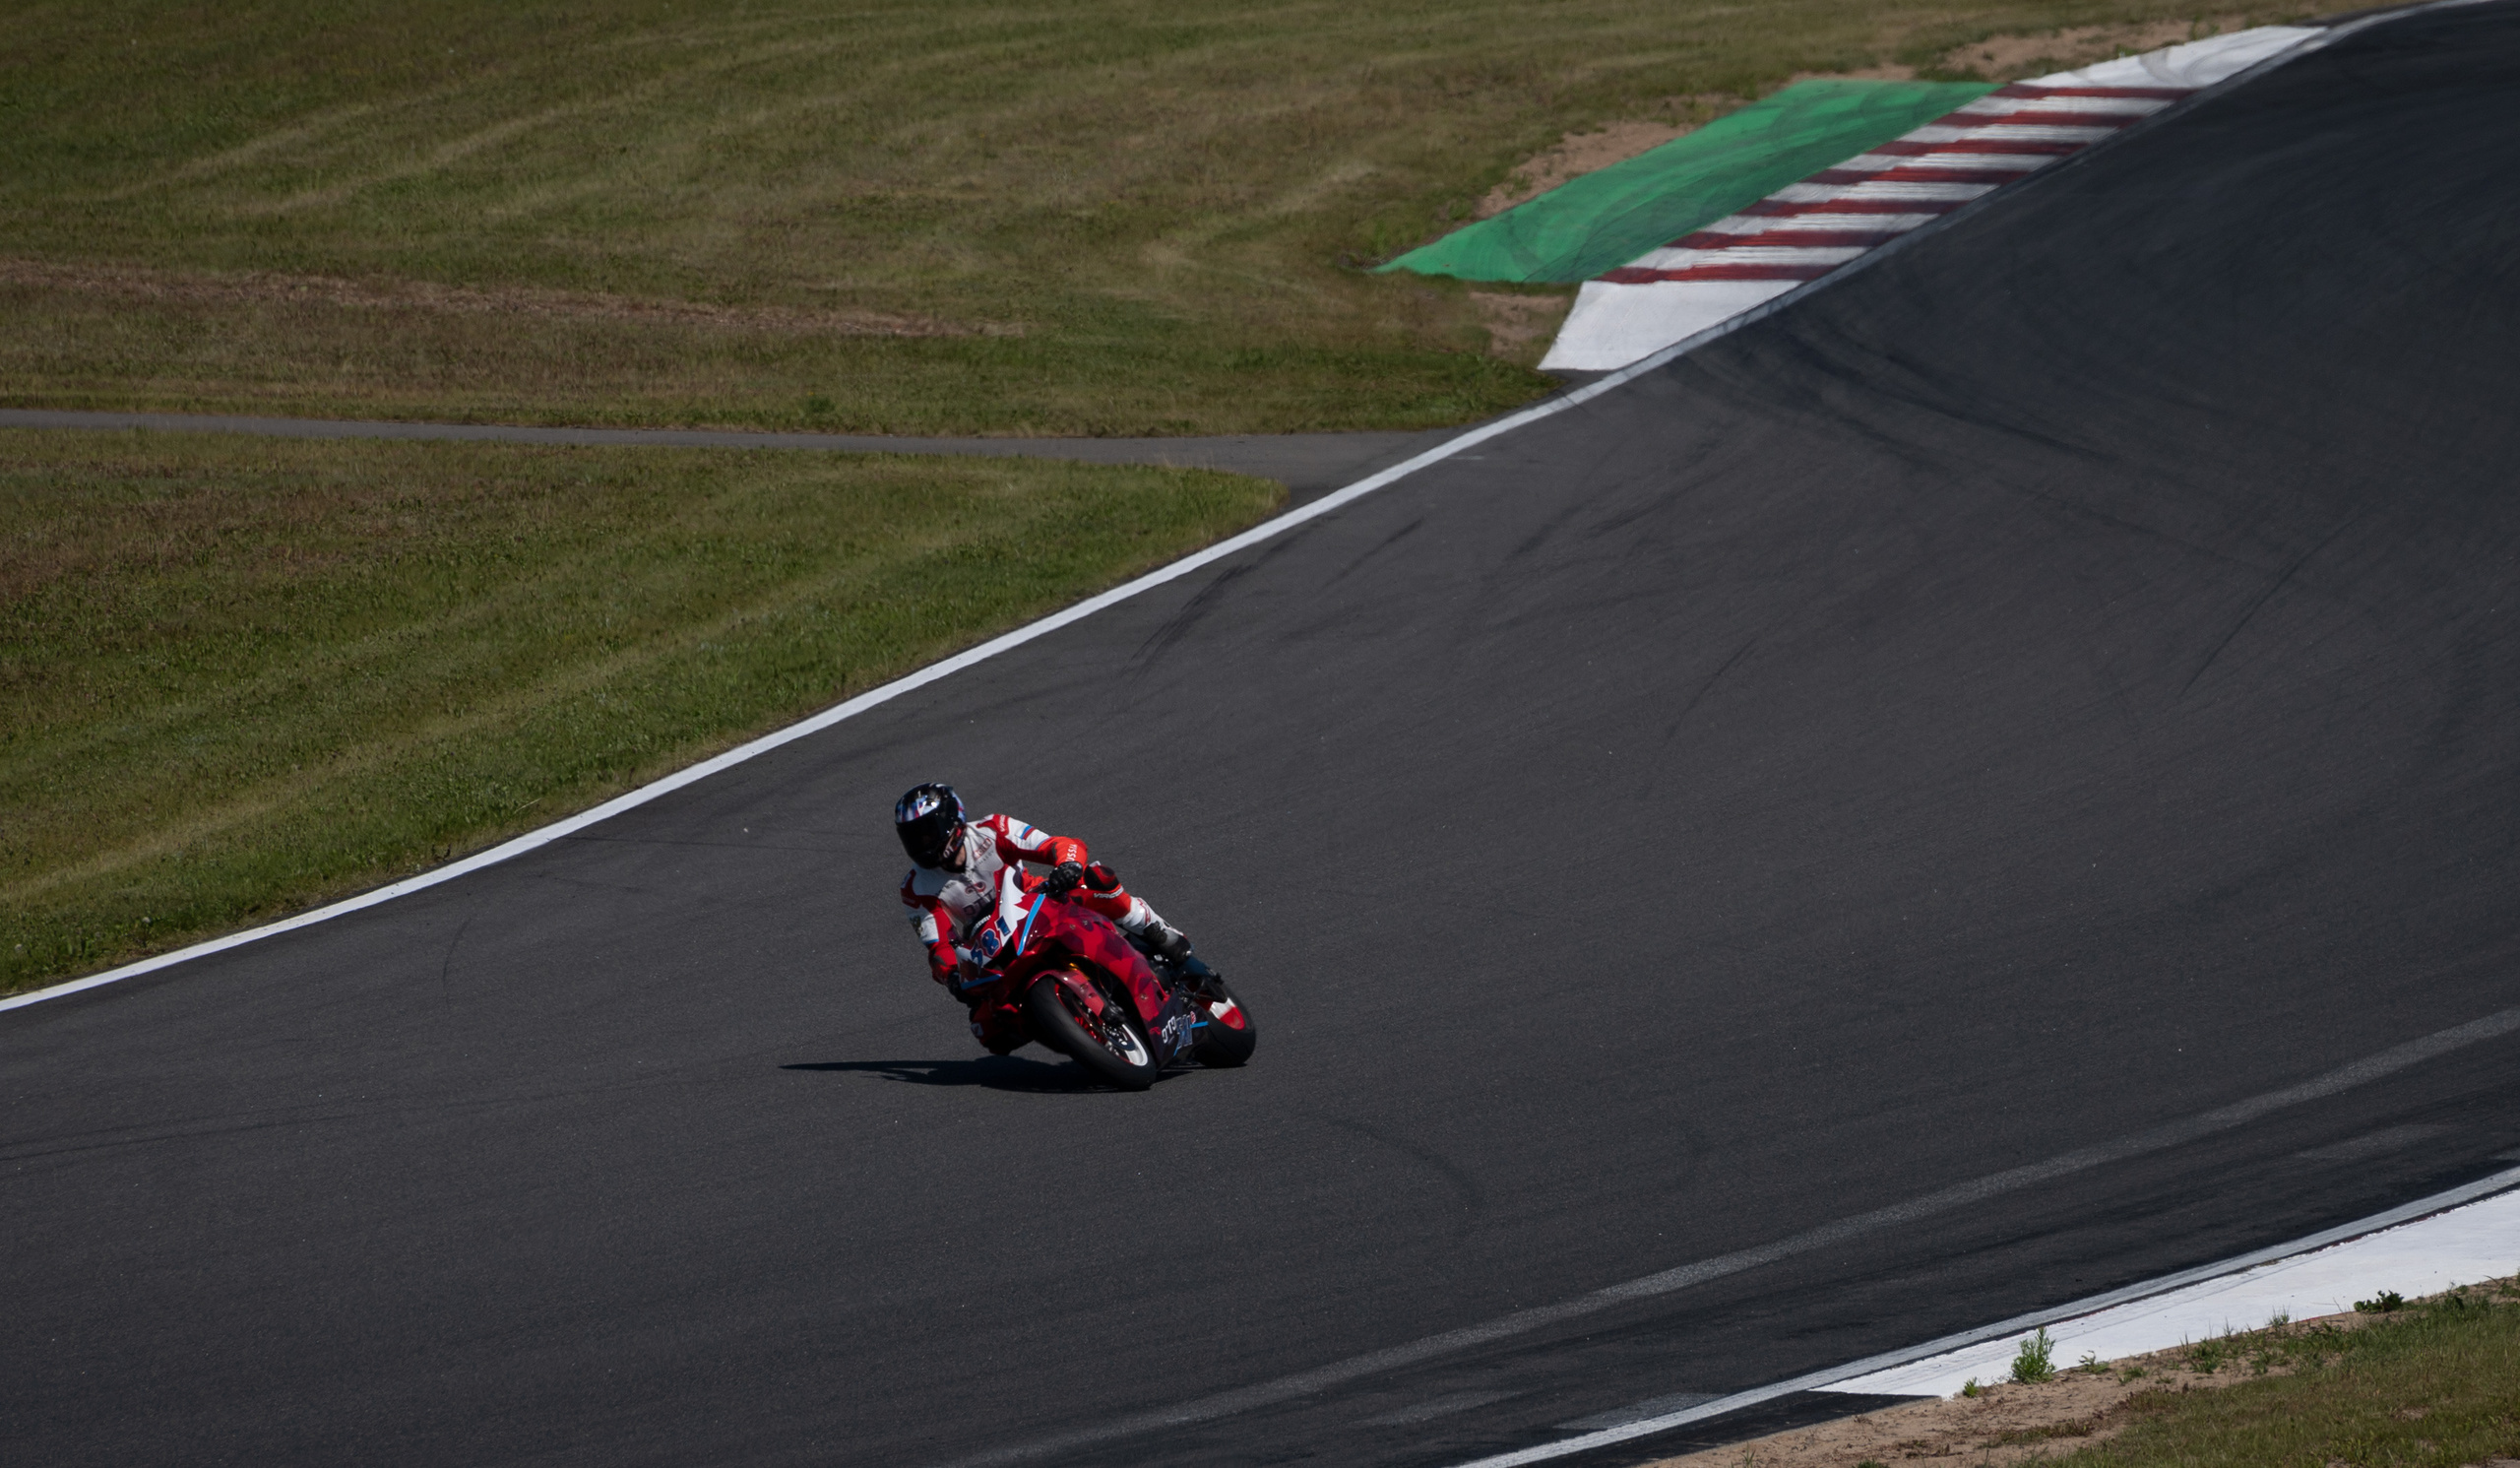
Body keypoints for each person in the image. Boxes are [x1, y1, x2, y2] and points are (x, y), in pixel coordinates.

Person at [895, 783, 1196, 1053]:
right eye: (912, 838)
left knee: (1096, 880)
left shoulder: (994, 829)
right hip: (991, 945)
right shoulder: (914, 888)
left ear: (952, 821)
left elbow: (1057, 845)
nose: (921, 844)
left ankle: (1155, 930)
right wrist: (951, 977)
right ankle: (1072, 1033)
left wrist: (1068, 865)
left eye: (927, 832)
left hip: (1037, 902)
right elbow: (939, 946)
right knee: (987, 1030)